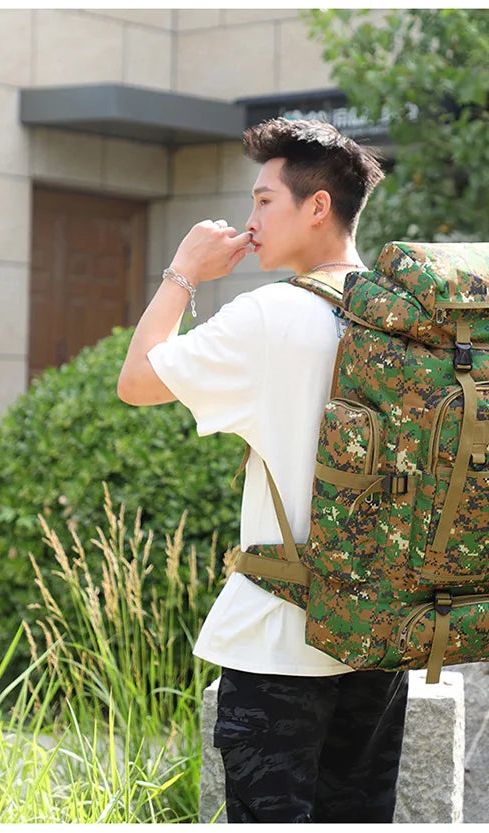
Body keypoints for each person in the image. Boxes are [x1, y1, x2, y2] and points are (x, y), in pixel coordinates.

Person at [117, 118, 409, 824]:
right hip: (381, 634)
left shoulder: (271, 315)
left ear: (318, 207)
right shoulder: (409, 318)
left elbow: (137, 380)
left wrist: (184, 272)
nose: (250, 220)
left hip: (282, 640)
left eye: (264, 200)